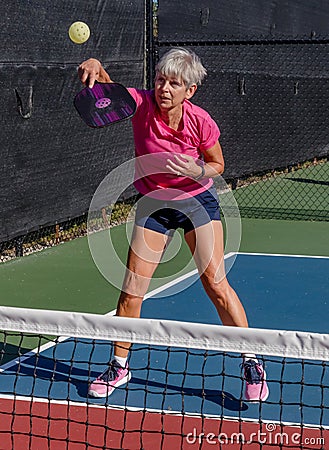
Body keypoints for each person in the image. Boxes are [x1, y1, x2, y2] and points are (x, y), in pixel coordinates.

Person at [78, 48, 269, 402]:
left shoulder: (201, 122)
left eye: (174, 83)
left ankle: (251, 361)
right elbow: (110, 93)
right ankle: (119, 365)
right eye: (160, 80)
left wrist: (197, 170)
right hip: (154, 206)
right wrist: (97, 68)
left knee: (216, 285)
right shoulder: (142, 103)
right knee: (132, 289)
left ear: (189, 91)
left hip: (198, 204)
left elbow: (217, 164)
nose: (164, 88)